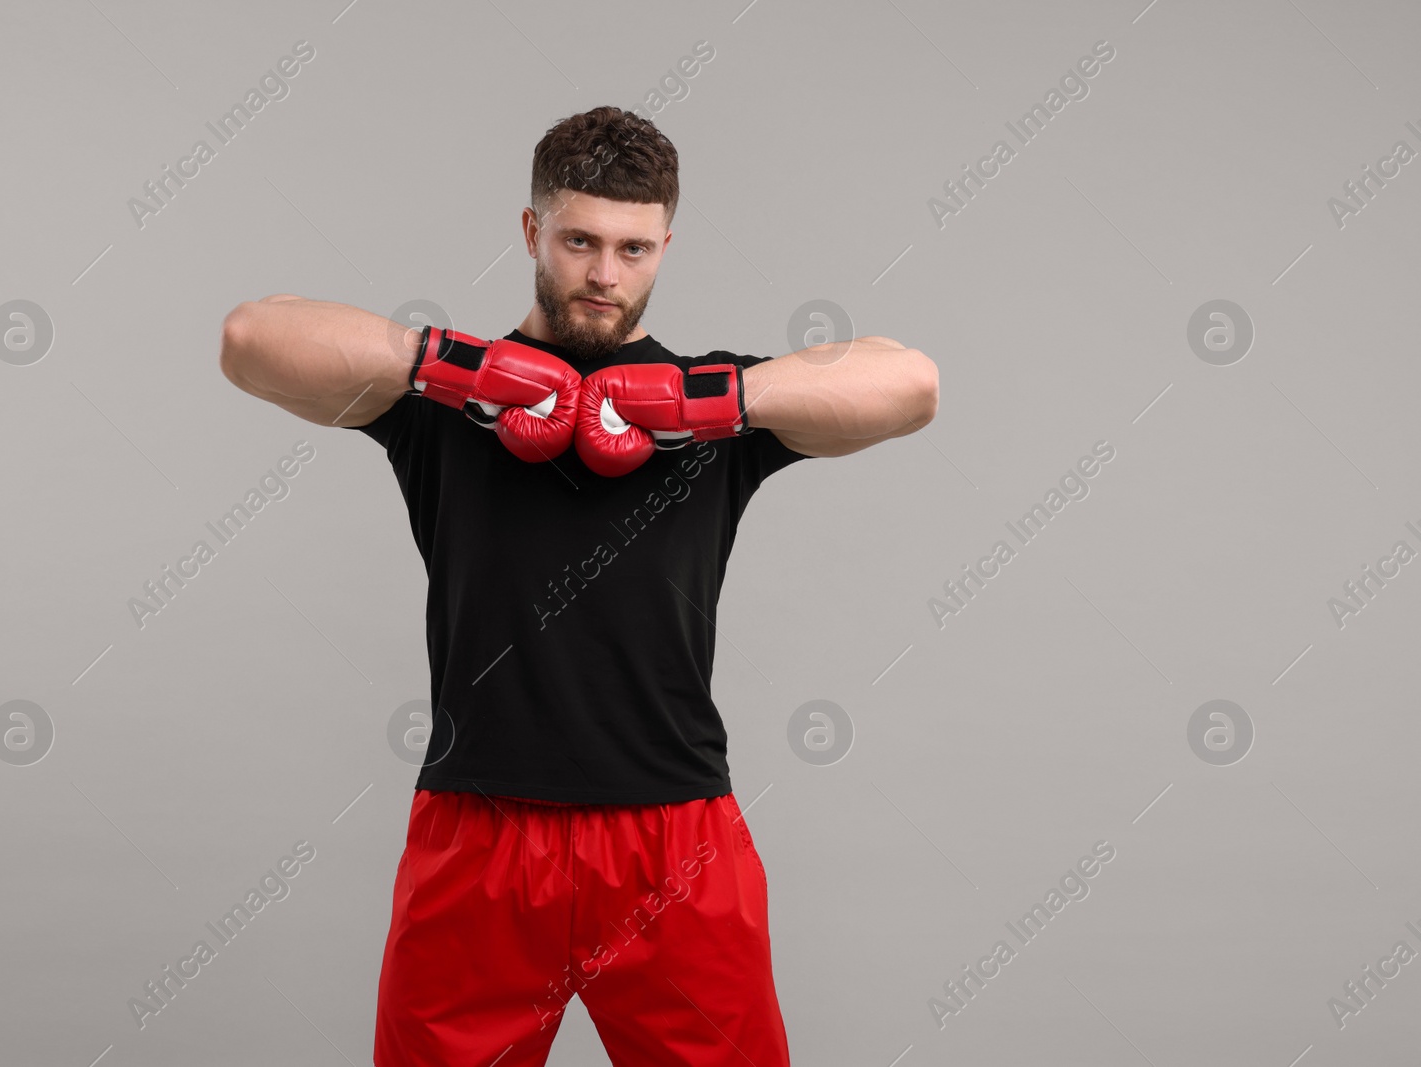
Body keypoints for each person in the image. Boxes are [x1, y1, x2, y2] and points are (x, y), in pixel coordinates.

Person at [219, 105, 937, 1066]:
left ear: (665, 246)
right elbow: (249, 337)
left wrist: (706, 399)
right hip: (481, 834)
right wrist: (452, 365)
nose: (605, 274)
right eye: (581, 241)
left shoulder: (714, 410)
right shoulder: (445, 408)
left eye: (635, 248)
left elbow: (911, 384)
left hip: (672, 837)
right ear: (532, 233)